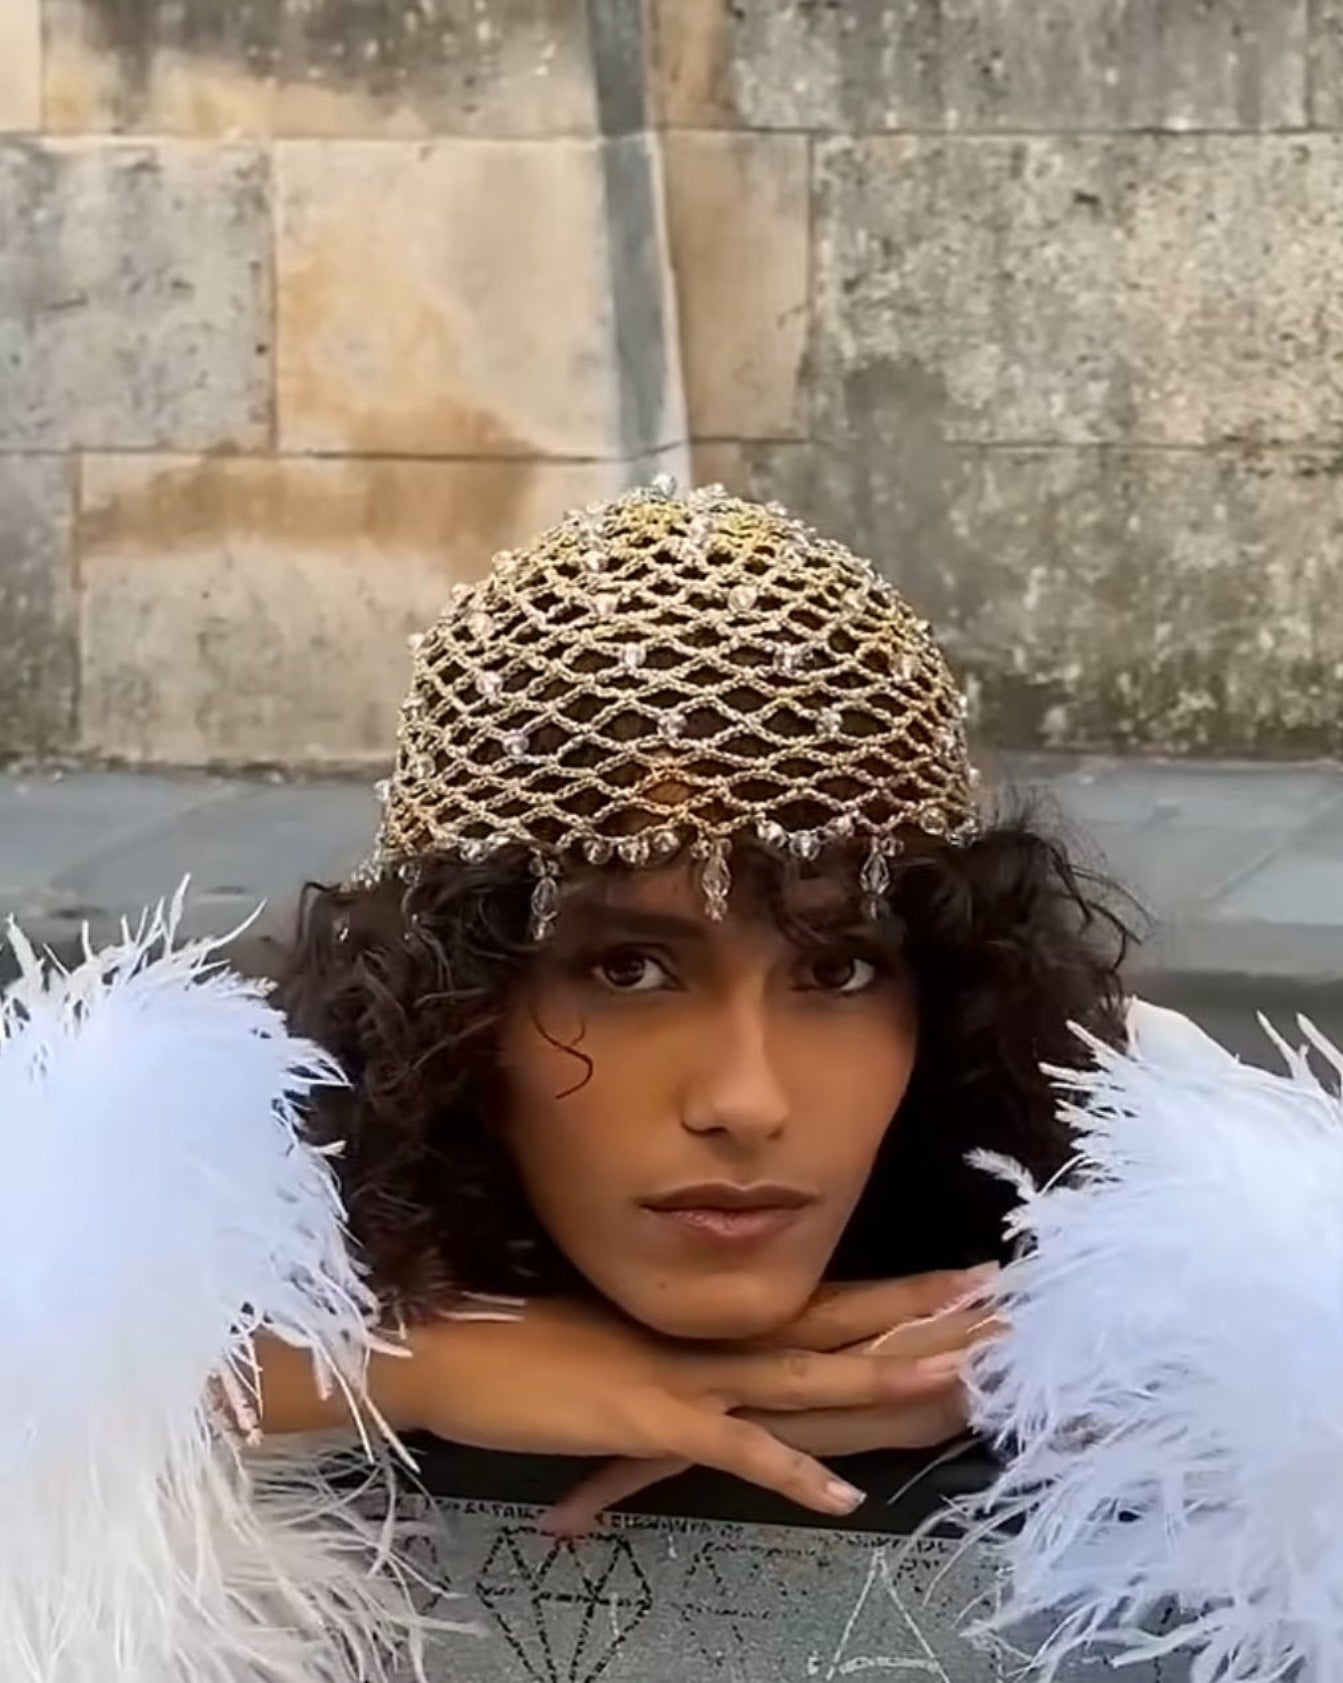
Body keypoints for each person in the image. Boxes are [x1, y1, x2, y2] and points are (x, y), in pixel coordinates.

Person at [249, 475, 1134, 1534]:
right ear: (453, 1005)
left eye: (837, 971)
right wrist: (396, 1364)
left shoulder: (1125, 1164)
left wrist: (1072, 1371)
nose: (745, 1100)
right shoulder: (249, 1203)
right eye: (628, 969)